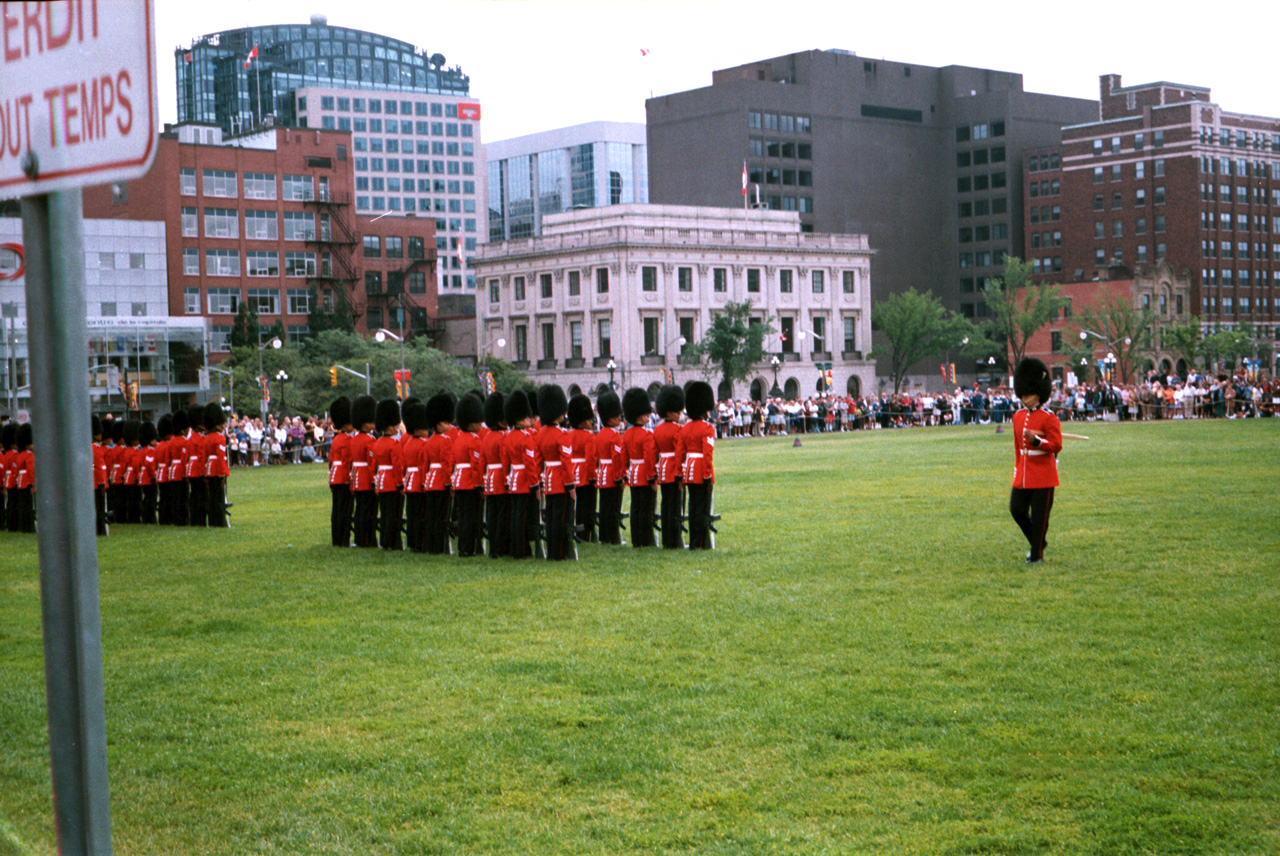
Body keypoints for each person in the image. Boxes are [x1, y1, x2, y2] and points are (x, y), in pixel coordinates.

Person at [1010, 357, 1063, 565]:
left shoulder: (1049, 417)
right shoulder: (1017, 417)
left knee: (1040, 518)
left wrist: (1039, 442)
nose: (1025, 398)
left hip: (1043, 473)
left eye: (1029, 394)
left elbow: (1057, 445)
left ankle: (1037, 554)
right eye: (1023, 394)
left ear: (1038, 394)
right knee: (1016, 509)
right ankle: (1038, 542)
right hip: (1024, 472)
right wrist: (1017, 469)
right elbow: (1016, 448)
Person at [536, 384, 574, 561]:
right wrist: (571, 485)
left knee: (550, 518)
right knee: (561, 519)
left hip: (548, 480)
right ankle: (560, 552)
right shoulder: (562, 435)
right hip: (560, 480)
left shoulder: (541, 433)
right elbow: (566, 463)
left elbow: (538, 461)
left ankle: (551, 551)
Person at [504, 390, 540, 559]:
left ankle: (515, 548)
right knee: (523, 518)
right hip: (525, 480)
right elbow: (530, 464)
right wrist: (535, 484)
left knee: (515, 516)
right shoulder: (526, 438)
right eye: (525, 416)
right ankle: (523, 550)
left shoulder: (509, 436)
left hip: (513, 478)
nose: (528, 419)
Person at [682, 381, 717, 550]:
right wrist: (708, 476)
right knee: (702, 508)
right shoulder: (707, 428)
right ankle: (701, 542)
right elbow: (707, 455)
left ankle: (694, 541)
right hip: (700, 471)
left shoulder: (685, 428)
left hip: (688, 470)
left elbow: (681, 453)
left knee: (692, 507)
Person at [622, 388, 657, 548]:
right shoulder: (647, 435)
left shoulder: (627, 434)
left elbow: (624, 457)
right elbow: (650, 460)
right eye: (645, 413)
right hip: (644, 475)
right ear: (639, 414)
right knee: (646, 510)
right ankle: (646, 539)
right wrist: (652, 479)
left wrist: (626, 474)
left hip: (633, 475)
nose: (648, 415)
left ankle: (636, 539)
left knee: (635, 508)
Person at [451, 393, 486, 557]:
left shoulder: (459, 439)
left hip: (459, 481)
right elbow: (476, 466)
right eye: (478, 422)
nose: (481, 425)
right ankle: (470, 547)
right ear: (471, 423)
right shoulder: (474, 440)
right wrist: (480, 484)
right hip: (470, 482)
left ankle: (462, 547)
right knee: (471, 518)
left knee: (463, 516)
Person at [423, 393, 456, 555]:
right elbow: (446, 465)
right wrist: (449, 483)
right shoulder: (446, 440)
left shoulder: (429, 440)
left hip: (430, 481)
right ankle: (440, 546)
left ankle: (431, 545)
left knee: (432, 516)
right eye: (445, 423)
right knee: (442, 517)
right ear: (438, 423)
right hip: (441, 481)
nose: (448, 426)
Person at [653, 384, 685, 550]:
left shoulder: (657, 430)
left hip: (663, 470)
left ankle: (666, 539)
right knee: (675, 506)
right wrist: (680, 474)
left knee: (666, 505)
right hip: (674, 470)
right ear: (668, 411)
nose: (679, 413)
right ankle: (675, 539)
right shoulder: (678, 430)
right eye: (676, 411)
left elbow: (655, 453)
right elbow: (679, 453)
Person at [372, 399, 404, 551]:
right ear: (391, 427)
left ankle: (383, 540)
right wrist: (400, 484)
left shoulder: (377, 443)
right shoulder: (394, 444)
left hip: (381, 481)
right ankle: (393, 542)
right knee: (393, 514)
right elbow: (397, 466)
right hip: (391, 482)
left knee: (384, 513)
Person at [593, 390, 626, 545]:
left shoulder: (599, 434)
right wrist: (620, 478)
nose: (619, 419)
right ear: (610, 418)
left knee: (604, 507)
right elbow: (617, 459)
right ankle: (612, 537)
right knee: (613, 508)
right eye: (616, 416)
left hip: (602, 474)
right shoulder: (615, 436)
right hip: (612, 474)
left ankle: (603, 536)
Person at [481, 392, 509, 559]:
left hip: (489, 478)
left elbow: (482, 462)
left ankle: (493, 548)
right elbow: (505, 462)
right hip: (500, 478)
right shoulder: (502, 438)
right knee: (501, 515)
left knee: (491, 515)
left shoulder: (486, 437)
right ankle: (500, 547)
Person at [566, 394, 597, 544]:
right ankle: (584, 534)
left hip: (572, 472)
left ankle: (574, 530)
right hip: (585, 474)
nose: (591, 422)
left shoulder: (568, 435)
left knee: (574, 506)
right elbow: (591, 459)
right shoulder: (589, 437)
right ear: (582, 420)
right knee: (586, 507)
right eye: (588, 419)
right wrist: (592, 477)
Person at [348, 395, 379, 548]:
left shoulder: (353, 439)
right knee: (369, 512)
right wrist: (375, 481)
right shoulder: (370, 440)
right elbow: (371, 463)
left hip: (356, 477)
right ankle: (368, 540)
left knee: (359, 510)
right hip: (366, 478)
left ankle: (359, 539)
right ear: (366, 423)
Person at [401, 401, 430, 553]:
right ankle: (420, 543)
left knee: (411, 514)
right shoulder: (425, 444)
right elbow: (425, 466)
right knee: (421, 514)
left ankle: (412, 542)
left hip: (409, 481)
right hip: (419, 482)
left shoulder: (408, 443)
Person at [327, 397, 353, 547]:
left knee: (336, 509)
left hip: (335, 476)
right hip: (344, 477)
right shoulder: (348, 440)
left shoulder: (336, 439)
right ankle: (344, 539)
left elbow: (331, 461)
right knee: (344, 510)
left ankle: (336, 538)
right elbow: (348, 461)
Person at [139, 419, 158, 525]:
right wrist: (154, 477)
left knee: (147, 499)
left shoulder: (142, 450)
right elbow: (150, 465)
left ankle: (146, 519)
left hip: (143, 478)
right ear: (150, 440)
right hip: (149, 479)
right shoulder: (150, 451)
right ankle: (150, 519)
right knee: (151, 500)